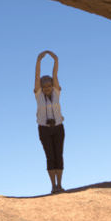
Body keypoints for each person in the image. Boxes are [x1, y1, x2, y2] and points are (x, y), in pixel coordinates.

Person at [34, 50, 65, 194]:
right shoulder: (38, 95)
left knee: (59, 154)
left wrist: (56, 60)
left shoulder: (56, 93)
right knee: (50, 156)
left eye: (49, 85)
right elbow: (36, 77)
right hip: (44, 129)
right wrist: (38, 61)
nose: (46, 88)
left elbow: (55, 75)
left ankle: (60, 184)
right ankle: (53, 186)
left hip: (58, 127)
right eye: (44, 86)